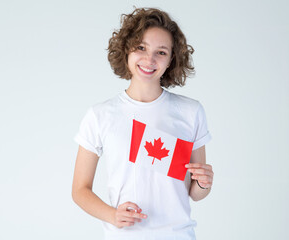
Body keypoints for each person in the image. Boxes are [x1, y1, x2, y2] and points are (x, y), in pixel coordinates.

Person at [72, 7, 214, 240]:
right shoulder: (100, 115)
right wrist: (112, 215)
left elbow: (195, 193)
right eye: (141, 48)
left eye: (161, 52)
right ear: (126, 50)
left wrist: (204, 183)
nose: (149, 60)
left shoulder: (191, 111)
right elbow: (79, 190)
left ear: (171, 60)